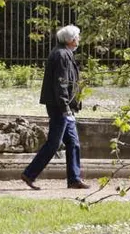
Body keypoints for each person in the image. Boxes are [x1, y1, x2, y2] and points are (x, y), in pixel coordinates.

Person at [21, 24, 91, 190]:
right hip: (60, 107)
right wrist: (65, 106)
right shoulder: (61, 55)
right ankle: (30, 173)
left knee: (73, 143)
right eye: (77, 37)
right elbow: (62, 83)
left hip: (64, 106)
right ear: (70, 40)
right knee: (54, 143)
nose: (79, 39)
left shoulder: (64, 53)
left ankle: (74, 179)